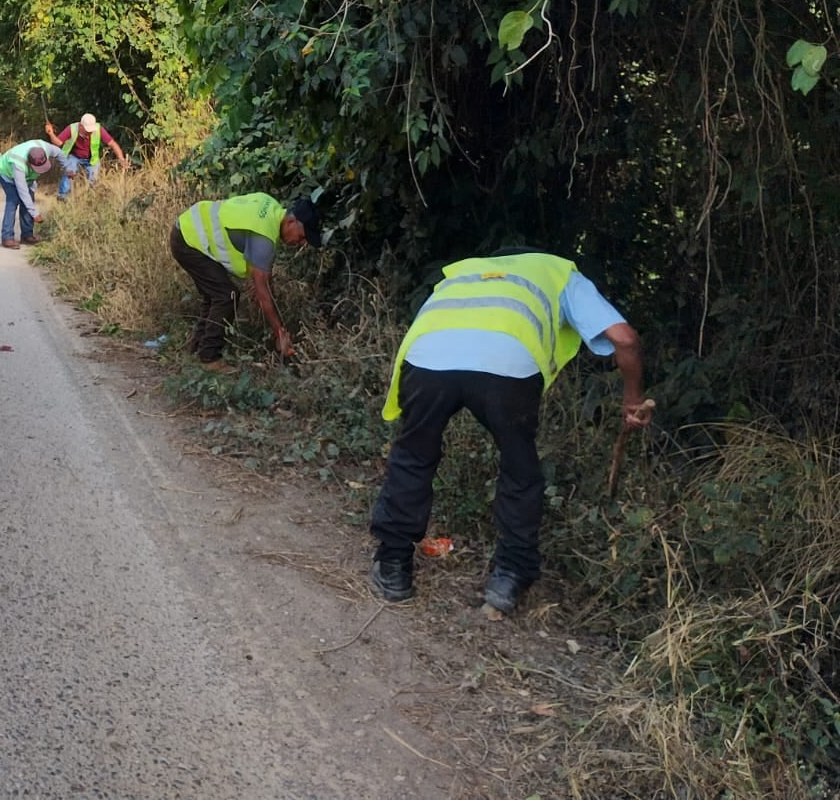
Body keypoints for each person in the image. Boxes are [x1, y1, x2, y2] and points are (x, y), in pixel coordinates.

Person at [368, 248, 651, 614]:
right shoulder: (559, 272)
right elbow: (624, 339)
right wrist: (632, 400)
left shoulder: (462, 268)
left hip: (428, 357)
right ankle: (510, 577)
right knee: (519, 466)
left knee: (414, 454)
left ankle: (393, 567)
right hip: (506, 365)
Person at [170, 193, 322, 371]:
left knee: (215, 297)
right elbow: (262, 292)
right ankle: (209, 360)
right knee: (227, 296)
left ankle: (196, 352)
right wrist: (280, 333)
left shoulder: (270, 207)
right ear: (291, 222)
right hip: (189, 240)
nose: (302, 243)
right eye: (303, 237)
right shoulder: (264, 237)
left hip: (187, 230)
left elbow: (261, 282)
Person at [0, 139, 66, 248]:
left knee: (29, 201)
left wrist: (69, 168)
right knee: (13, 201)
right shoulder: (18, 164)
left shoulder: (45, 148)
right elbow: (22, 191)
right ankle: (7, 238)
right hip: (6, 175)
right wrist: (35, 214)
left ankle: (27, 235)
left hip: (27, 180)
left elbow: (60, 153)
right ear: (29, 162)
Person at [44, 113, 127, 199]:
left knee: (93, 178)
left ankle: (90, 197)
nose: (89, 133)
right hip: (74, 156)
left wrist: (121, 158)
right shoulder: (72, 128)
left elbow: (113, 144)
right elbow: (58, 143)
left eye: (91, 131)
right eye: (87, 130)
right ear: (80, 126)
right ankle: (62, 196)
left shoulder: (98, 129)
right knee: (70, 170)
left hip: (92, 158)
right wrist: (51, 134)